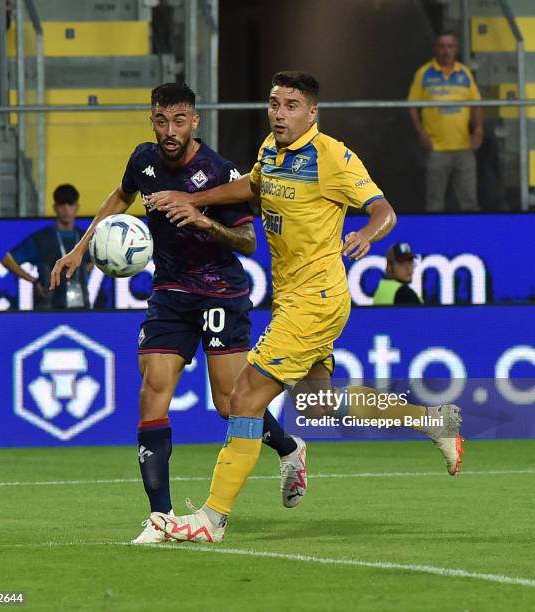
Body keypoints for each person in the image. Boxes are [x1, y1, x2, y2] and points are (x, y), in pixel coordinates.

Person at [147, 71, 464, 544]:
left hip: (316, 299)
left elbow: (384, 211)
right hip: (293, 298)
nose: (279, 113)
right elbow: (251, 188)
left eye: (291, 105)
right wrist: (193, 200)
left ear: (311, 112)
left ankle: (212, 518)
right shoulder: (269, 152)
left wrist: (364, 234)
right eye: (274, 103)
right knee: (317, 404)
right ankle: (431, 420)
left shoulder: (332, 156)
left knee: (243, 398)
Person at [49, 83, 306, 545]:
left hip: (220, 292)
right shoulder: (142, 160)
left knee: (230, 403)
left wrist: (203, 219)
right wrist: (80, 249)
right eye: (162, 120)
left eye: (180, 120)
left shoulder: (218, 171)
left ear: (195, 122)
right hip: (169, 292)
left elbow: (248, 242)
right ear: (152, 119)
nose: (170, 130)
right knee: (152, 391)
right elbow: (118, 198)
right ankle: (161, 517)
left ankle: (288, 447)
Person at [408, 31, 483, 213]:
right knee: (434, 203)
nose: (446, 51)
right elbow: (411, 105)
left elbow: (476, 105)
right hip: (436, 149)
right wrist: (420, 132)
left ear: (456, 49)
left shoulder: (464, 73)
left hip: (463, 147)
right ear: (436, 49)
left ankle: (473, 239)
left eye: (450, 46)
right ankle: (435, 240)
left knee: (470, 203)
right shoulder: (424, 73)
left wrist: (478, 130)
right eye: (442, 46)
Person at [2, 184, 90, 310]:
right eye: (61, 205)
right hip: (48, 308)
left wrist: (83, 270)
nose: (66, 209)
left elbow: (96, 257)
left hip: (80, 308)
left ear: (76, 207)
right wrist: (33, 281)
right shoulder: (41, 239)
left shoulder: (84, 237)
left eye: (70, 204)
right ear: (55, 207)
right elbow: (8, 260)